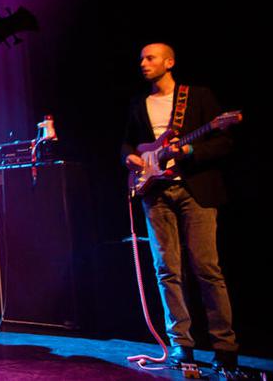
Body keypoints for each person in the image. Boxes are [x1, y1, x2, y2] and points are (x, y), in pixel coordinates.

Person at [122, 43, 238, 373]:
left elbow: (223, 142)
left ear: (169, 62)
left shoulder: (198, 96)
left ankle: (225, 348)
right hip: (155, 192)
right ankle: (181, 344)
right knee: (166, 271)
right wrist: (130, 158)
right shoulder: (138, 103)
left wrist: (188, 151)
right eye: (141, 58)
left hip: (194, 189)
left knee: (207, 269)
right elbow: (127, 142)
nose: (143, 63)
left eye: (150, 58)